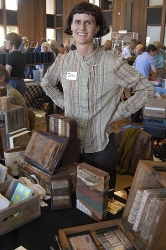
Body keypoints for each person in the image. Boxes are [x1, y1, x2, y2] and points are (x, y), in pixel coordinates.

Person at [41, 2, 155, 199]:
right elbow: (46, 83)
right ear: (71, 26)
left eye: (88, 23)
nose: (81, 28)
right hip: (71, 144)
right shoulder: (64, 61)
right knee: (75, 196)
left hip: (100, 145)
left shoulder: (111, 62)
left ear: (98, 28)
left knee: (101, 200)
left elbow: (147, 89)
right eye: (77, 22)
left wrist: (117, 114)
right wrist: (65, 103)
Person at [0, 64, 29, 129]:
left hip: (19, 131)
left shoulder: (9, 94)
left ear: (2, 78)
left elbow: (8, 120)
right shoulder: (3, 91)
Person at [4, 32, 27, 97]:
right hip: (22, 83)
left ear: (13, 45)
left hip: (13, 84)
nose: (5, 44)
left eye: (7, 42)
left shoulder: (10, 55)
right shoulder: (22, 55)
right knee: (20, 106)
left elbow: (7, 74)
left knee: (13, 106)